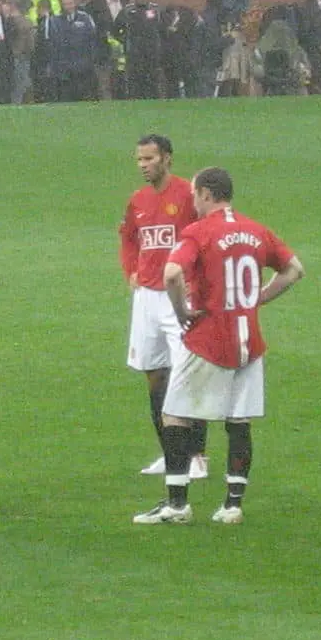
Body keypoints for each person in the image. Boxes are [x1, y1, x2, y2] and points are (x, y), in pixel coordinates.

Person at [133, 167, 305, 525]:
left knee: (175, 414)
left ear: (208, 195)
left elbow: (171, 274)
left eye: (195, 194)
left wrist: (182, 311)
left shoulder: (198, 232)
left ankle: (177, 505)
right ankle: (232, 506)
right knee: (238, 420)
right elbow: (294, 270)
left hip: (209, 340)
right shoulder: (256, 230)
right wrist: (256, 299)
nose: (191, 201)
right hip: (249, 341)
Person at [119, 135, 207, 479]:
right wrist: (131, 271)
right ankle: (171, 455)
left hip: (180, 295)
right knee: (153, 374)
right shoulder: (138, 200)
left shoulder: (188, 195)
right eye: (139, 160)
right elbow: (128, 238)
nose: (143, 165)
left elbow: (204, 237)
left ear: (167, 159)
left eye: (149, 159)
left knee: (187, 372)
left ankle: (198, 455)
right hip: (147, 299)